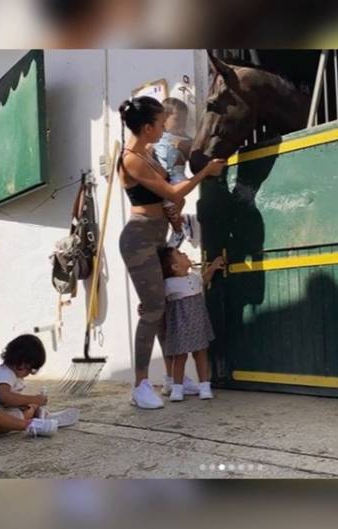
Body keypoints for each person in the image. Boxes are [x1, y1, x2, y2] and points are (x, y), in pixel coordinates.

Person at [117, 95, 225, 409]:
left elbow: (165, 198)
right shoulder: (131, 158)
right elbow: (172, 190)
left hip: (157, 235)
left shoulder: (149, 153)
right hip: (138, 239)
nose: (166, 126)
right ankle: (140, 385)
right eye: (161, 123)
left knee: (166, 307)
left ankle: (172, 379)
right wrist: (204, 174)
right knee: (152, 310)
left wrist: (171, 215)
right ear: (147, 127)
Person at [158, 247, 225, 401]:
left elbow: (204, 280)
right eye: (179, 254)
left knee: (201, 354)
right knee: (179, 357)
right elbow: (158, 300)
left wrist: (213, 268)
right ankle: (177, 389)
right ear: (175, 267)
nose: (185, 254)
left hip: (198, 322)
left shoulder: (194, 277)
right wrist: (145, 307)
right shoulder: (168, 284)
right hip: (180, 325)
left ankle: (204, 386)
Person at [0, 334, 62, 437]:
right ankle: (31, 425)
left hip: (7, 414)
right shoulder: (5, 374)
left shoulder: (15, 375)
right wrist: (33, 399)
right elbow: (6, 397)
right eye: (30, 368)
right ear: (21, 362)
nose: (29, 373)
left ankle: (41, 416)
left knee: (29, 407)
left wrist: (27, 404)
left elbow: (8, 403)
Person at [151, 97, 193, 248]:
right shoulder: (158, 137)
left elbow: (193, 146)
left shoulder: (182, 138)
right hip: (165, 179)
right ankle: (182, 222)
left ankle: (177, 232)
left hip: (176, 179)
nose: (182, 122)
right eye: (178, 119)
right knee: (174, 206)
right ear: (164, 118)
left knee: (170, 205)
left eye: (184, 119)